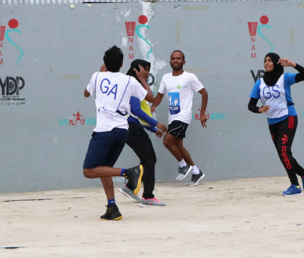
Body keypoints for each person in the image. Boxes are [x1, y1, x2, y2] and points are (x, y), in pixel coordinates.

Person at [83, 46, 153, 221]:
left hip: (104, 131)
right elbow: (150, 97)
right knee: (104, 169)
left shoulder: (97, 76)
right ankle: (112, 207)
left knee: (89, 170)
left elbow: (86, 93)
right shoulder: (129, 81)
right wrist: (143, 80)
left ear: (105, 63)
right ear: (122, 64)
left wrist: (101, 72)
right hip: (122, 131)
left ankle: (129, 172)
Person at [247, 53, 304, 196]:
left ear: (277, 63)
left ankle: (295, 185)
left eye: (270, 61)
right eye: (265, 61)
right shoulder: (260, 83)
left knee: (284, 151)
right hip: (272, 121)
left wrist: (292, 64)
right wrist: (260, 109)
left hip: (288, 117)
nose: (266, 63)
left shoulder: (285, 78)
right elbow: (251, 105)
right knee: (283, 154)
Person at [151, 50, 209, 186]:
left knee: (167, 141)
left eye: (178, 58)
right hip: (173, 117)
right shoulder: (166, 77)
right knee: (178, 145)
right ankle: (196, 171)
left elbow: (204, 93)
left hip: (183, 116)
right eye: (173, 58)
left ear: (184, 61)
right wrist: (153, 106)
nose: (175, 61)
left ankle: (183, 165)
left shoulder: (189, 77)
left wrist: (202, 113)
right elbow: (159, 95)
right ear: (170, 61)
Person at [119, 59, 168, 206]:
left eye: (148, 69)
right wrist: (156, 124)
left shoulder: (132, 84)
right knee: (149, 160)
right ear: (135, 69)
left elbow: (138, 113)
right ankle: (147, 196)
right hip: (131, 129)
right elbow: (136, 111)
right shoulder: (131, 84)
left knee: (147, 160)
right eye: (144, 69)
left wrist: (153, 128)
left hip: (133, 128)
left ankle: (129, 187)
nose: (147, 72)